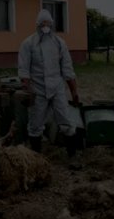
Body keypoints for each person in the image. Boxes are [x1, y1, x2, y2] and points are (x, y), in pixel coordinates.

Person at [17, 9, 81, 155]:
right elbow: (24, 70)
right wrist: (27, 90)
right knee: (35, 124)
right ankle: (36, 157)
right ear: (37, 25)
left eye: (48, 23)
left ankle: (72, 156)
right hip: (37, 89)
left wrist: (74, 92)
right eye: (42, 24)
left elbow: (68, 69)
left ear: (52, 25)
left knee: (66, 120)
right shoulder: (28, 44)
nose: (45, 26)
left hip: (57, 88)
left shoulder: (59, 43)